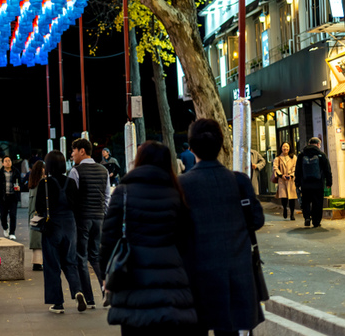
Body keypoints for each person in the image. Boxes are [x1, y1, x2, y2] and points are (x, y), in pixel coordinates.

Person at [100, 141, 197, 334]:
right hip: (171, 281)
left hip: (131, 279)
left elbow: (109, 238)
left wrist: (106, 276)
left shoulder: (123, 192)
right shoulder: (177, 193)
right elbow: (188, 240)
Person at [179, 118, 265, 335]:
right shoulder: (239, 181)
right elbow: (256, 220)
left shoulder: (182, 185)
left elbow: (176, 231)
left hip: (196, 277)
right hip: (237, 274)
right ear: (220, 145)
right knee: (230, 329)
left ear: (192, 147)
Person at [36, 150, 86, 314]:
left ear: (48, 165)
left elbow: (39, 208)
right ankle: (78, 291)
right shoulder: (71, 182)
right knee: (70, 262)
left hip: (53, 226)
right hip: (70, 225)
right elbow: (78, 205)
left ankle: (57, 303)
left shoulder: (44, 183)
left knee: (52, 265)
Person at [69, 138, 110, 309]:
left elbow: (73, 198)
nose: (72, 154)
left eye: (74, 151)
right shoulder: (103, 170)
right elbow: (107, 197)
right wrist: (103, 215)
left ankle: (89, 298)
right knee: (96, 256)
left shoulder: (75, 171)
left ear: (82, 151)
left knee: (81, 257)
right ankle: (105, 290)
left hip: (82, 219)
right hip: (99, 218)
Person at [295, 137, 333, 228]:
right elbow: (327, 169)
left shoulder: (301, 155)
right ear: (318, 144)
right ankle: (316, 222)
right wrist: (329, 182)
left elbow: (298, 170)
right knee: (318, 202)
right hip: (318, 184)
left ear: (309, 144)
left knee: (306, 201)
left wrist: (297, 183)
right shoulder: (321, 155)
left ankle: (307, 217)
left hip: (305, 183)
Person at [0, 156, 22, 240]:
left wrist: (20, 188)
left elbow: (21, 183)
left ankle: (12, 232)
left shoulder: (16, 172)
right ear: (2, 163)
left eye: (9, 160)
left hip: (13, 197)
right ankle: (5, 227)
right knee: (3, 215)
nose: (8, 162)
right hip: (3, 197)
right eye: (6, 161)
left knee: (13, 215)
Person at [27, 160, 45, 271]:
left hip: (33, 215)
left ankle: (37, 262)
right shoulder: (42, 183)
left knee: (36, 239)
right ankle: (38, 263)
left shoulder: (32, 183)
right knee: (39, 240)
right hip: (39, 214)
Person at [274, 142, 298, 220]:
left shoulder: (293, 157)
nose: (285, 148)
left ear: (290, 148)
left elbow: (295, 167)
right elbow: (275, 168)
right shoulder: (278, 158)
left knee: (292, 197)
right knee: (284, 197)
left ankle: (292, 213)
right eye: (284, 146)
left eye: (287, 146)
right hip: (282, 180)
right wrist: (281, 175)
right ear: (281, 148)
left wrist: (291, 175)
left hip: (291, 180)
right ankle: (284, 208)